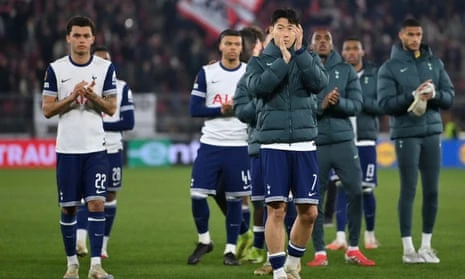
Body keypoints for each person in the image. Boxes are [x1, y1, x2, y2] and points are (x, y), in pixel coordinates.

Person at [244, 8, 328, 279]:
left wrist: (301, 54)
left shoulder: (309, 58)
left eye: (291, 27)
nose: (285, 32)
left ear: (298, 32)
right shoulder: (258, 62)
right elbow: (259, 88)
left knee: (310, 213)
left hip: (305, 144)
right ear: (271, 31)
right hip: (274, 145)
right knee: (276, 209)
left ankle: (293, 261)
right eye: (280, 27)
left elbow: (319, 83)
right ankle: (279, 270)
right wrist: (283, 60)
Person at [42, 16, 116, 279]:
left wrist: (92, 96)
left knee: (97, 203)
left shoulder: (105, 68)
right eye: (77, 35)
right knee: (69, 208)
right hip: (67, 149)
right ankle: (72, 264)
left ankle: (96, 265)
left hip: (96, 149)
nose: (82, 40)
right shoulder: (56, 69)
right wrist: (72, 97)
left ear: (93, 39)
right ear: (68, 38)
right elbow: (47, 110)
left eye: (86, 36)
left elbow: (111, 107)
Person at [377, 18, 454, 264]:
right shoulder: (388, 68)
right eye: (410, 34)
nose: (415, 39)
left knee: (432, 191)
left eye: (418, 34)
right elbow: (385, 105)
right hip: (406, 134)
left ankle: (427, 246)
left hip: (432, 132)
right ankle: (408, 249)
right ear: (401, 35)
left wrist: (435, 95)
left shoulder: (435, 63)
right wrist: (412, 96)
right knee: (409, 189)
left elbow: (449, 97)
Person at [306, 28, 375, 267]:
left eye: (327, 39)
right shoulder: (304, 70)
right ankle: (319, 252)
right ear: (311, 44)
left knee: (356, 191)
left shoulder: (346, 70)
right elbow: (300, 106)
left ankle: (353, 248)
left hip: (345, 142)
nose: (323, 42)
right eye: (318, 39)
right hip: (316, 143)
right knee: (314, 198)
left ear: (333, 44)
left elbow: (357, 105)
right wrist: (322, 104)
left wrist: (338, 103)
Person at [187, 28, 250, 266]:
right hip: (211, 143)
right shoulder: (206, 73)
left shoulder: (249, 73)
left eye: (237, 44)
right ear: (220, 46)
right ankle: (205, 240)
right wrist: (220, 110)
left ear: (241, 48)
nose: (233, 47)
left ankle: (231, 250)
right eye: (229, 43)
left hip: (239, 144)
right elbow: (194, 109)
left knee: (235, 199)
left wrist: (240, 111)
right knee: (197, 194)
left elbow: (256, 107)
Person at [75, 46, 135, 259]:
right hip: (88, 147)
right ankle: (80, 241)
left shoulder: (121, 88)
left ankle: (102, 247)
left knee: (109, 195)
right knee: (87, 195)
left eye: (106, 61)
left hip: (112, 148)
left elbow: (129, 122)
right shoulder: (82, 87)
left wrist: (98, 124)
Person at [325, 38, 383, 251]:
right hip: (340, 139)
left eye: (355, 49)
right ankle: (340, 238)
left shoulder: (373, 76)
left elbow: (382, 104)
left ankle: (370, 235)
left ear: (363, 51)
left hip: (365, 139)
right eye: (347, 48)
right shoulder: (335, 74)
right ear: (341, 52)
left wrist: (357, 102)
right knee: (340, 188)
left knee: (366, 189)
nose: (351, 52)